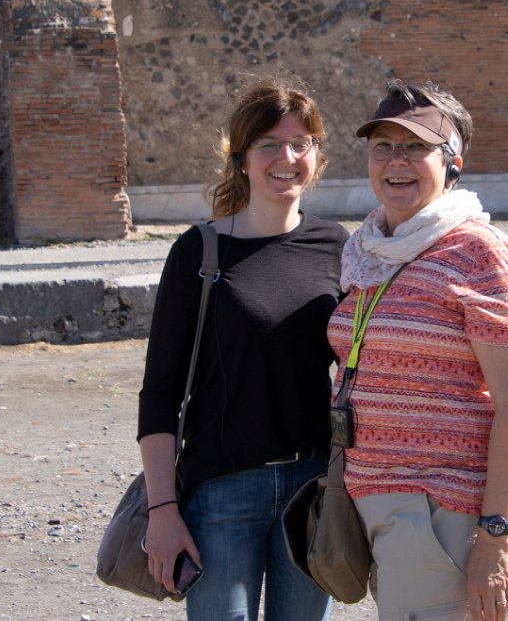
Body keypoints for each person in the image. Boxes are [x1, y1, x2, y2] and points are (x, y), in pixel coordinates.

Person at [328, 79, 508, 621]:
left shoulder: (482, 254)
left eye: (416, 146)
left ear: (453, 164)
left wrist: (494, 537)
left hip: (444, 509)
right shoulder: (368, 251)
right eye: (383, 146)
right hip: (381, 503)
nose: (396, 160)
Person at [137, 77, 348, 621]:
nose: (287, 157)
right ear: (241, 158)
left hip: (313, 489)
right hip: (221, 493)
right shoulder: (199, 252)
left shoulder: (338, 246)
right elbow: (159, 394)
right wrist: (162, 510)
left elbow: (359, 373)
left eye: (300, 143)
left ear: (317, 155)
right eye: (269, 144)